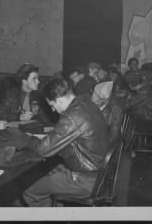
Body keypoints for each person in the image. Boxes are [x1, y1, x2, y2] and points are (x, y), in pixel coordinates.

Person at [21, 78, 109, 207]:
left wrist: (27, 138)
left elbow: (43, 149)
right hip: (99, 172)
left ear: (59, 100)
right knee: (46, 173)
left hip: (86, 179)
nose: (53, 110)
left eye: (52, 105)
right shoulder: (88, 105)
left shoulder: (72, 116)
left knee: (30, 190)